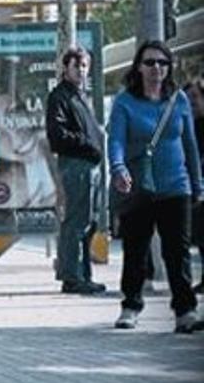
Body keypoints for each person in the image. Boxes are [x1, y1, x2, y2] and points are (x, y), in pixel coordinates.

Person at [107, 41, 202, 333]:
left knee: (178, 252)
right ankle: (131, 306)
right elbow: (116, 140)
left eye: (162, 63)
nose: (156, 69)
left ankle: (185, 311)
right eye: (150, 63)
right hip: (139, 187)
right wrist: (118, 168)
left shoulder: (178, 101)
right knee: (136, 249)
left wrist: (197, 184)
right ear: (138, 67)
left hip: (176, 187)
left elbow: (189, 146)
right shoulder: (125, 102)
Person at [45, 47, 107, 295]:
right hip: (76, 164)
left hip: (90, 165)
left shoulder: (79, 96)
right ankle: (71, 277)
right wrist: (87, 142)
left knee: (89, 223)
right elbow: (57, 135)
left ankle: (83, 274)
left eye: (84, 66)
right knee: (76, 222)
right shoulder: (60, 96)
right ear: (65, 68)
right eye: (76, 65)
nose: (81, 70)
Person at [185, 76, 204, 294]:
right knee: (200, 235)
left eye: (195, 98)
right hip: (197, 187)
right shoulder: (190, 126)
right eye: (188, 99)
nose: (192, 103)